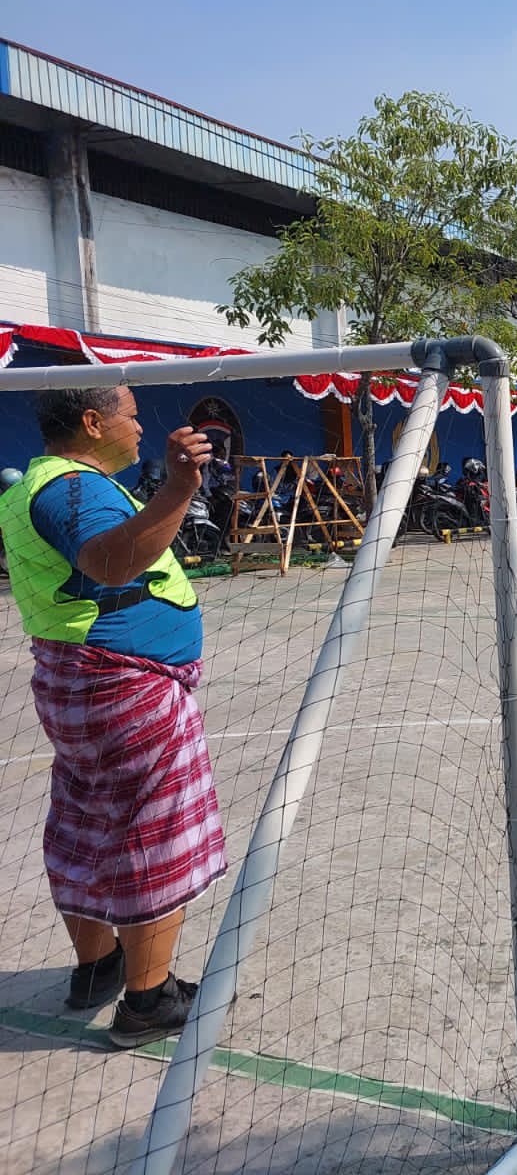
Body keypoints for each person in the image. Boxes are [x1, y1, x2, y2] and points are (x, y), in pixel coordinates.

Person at [0, 386, 226, 1049]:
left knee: (89, 821)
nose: (139, 427)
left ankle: (98, 967)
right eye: (129, 414)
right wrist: (179, 487)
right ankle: (146, 1001)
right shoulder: (75, 489)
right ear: (92, 422)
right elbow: (106, 561)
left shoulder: (32, 485)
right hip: (123, 688)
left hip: (85, 684)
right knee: (151, 834)